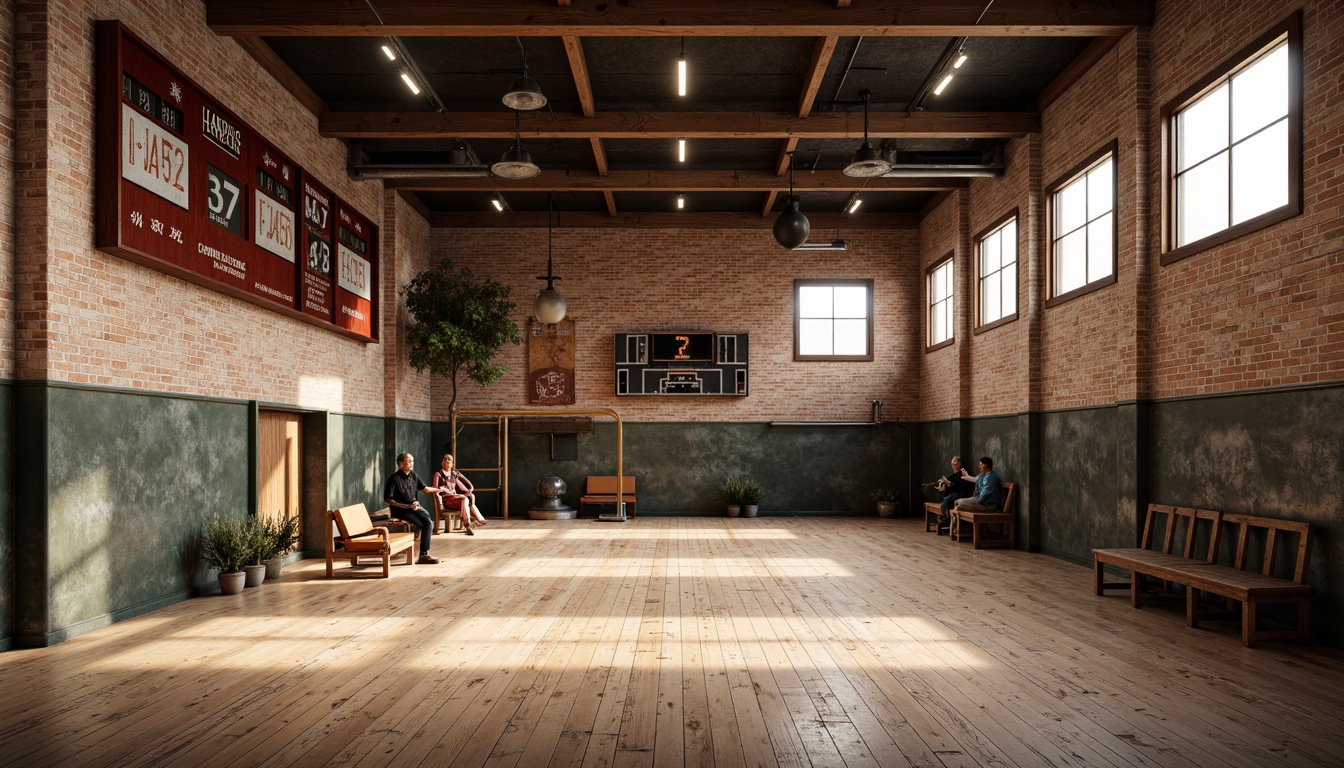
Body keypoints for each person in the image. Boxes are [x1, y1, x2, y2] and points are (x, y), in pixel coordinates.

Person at [383, 452, 447, 564]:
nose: (411, 463)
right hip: (400, 510)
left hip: (413, 508)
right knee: (427, 523)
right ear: (400, 463)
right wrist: (407, 506)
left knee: (426, 523)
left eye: (412, 460)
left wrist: (440, 489)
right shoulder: (394, 479)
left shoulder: (413, 475)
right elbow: (388, 500)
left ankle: (423, 554)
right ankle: (423, 555)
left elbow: (425, 489)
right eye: (408, 461)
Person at [431, 454, 485, 535]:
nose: (447, 464)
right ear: (442, 462)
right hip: (447, 500)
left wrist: (470, 489)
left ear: (452, 464)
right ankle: (475, 520)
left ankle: (467, 524)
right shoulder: (438, 474)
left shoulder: (454, 474)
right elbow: (434, 487)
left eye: (449, 463)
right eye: (445, 462)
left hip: (456, 499)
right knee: (464, 499)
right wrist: (442, 489)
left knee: (466, 498)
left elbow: (465, 486)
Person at [935, 456, 976, 533]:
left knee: (947, 500)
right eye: (952, 464)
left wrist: (951, 485)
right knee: (946, 499)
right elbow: (949, 479)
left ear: (961, 464)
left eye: (956, 464)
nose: (954, 466)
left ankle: (946, 521)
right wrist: (943, 482)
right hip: (956, 494)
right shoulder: (955, 474)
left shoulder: (964, 473)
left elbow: (963, 485)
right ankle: (947, 521)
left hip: (964, 495)